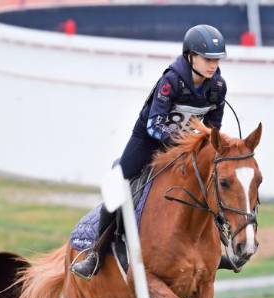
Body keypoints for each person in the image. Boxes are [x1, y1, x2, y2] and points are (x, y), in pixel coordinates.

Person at [71, 24, 228, 280]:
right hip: (149, 140)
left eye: (216, 60)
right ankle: (97, 252)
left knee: (218, 181)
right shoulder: (171, 81)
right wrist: (182, 143)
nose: (213, 65)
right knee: (119, 180)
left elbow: (213, 128)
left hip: (186, 145)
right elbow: (154, 125)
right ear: (190, 56)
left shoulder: (218, 87)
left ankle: (221, 245)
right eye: (207, 59)